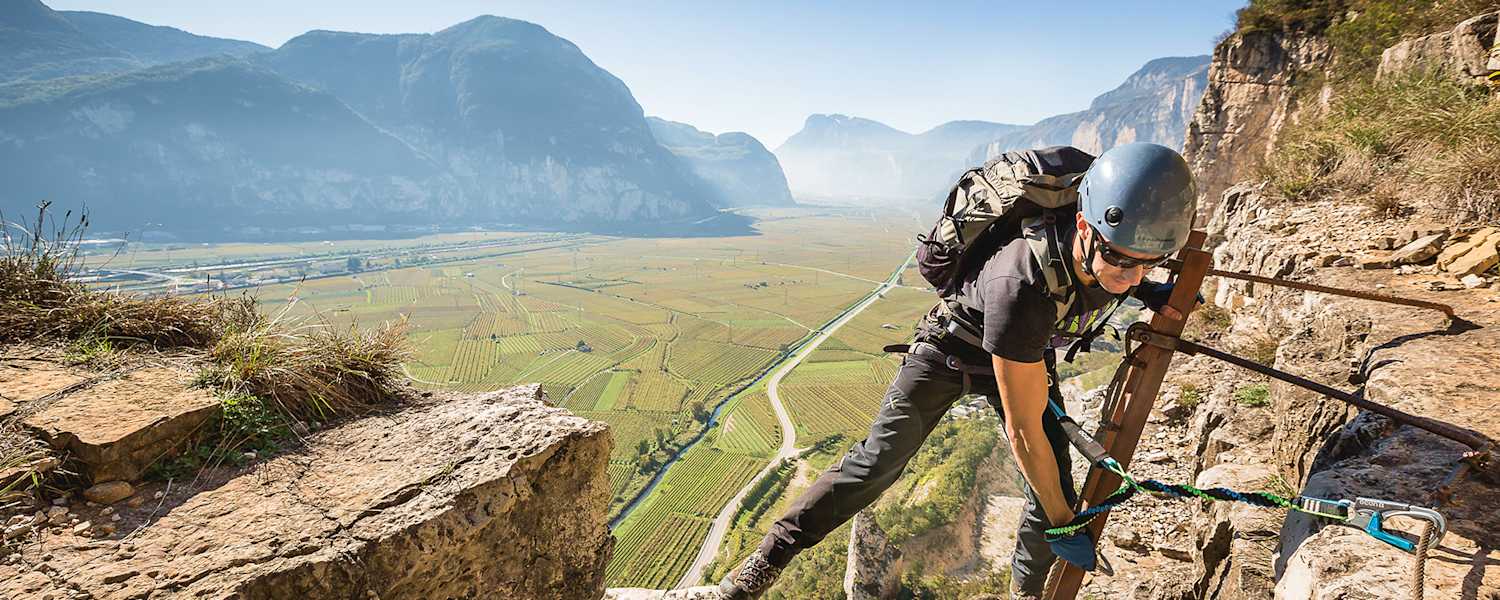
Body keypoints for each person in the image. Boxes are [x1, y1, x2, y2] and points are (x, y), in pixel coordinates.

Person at [716, 143, 1198, 599]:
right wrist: (1062, 523)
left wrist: (1145, 290)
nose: (1130, 275)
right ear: (1084, 226)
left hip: (1025, 348)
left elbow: (1114, 268)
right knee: (878, 463)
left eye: (1149, 264)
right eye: (1119, 260)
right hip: (950, 348)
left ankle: (1026, 591)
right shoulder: (1021, 283)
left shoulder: (1112, 241)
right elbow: (1023, 431)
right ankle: (769, 557)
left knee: (1054, 479)